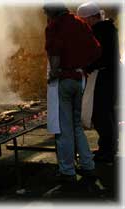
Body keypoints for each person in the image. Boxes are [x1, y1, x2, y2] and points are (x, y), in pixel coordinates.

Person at [43, 3, 101, 181]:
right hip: (79, 78)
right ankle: (88, 165)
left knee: (63, 128)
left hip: (64, 79)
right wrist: (83, 66)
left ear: (51, 11)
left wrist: (54, 72)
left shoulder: (55, 25)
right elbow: (96, 50)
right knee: (76, 126)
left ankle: (67, 170)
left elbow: (55, 51)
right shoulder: (80, 23)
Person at [77, 2, 120, 163]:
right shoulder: (106, 29)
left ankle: (108, 150)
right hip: (108, 74)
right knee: (106, 113)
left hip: (105, 76)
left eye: (84, 20)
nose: (83, 23)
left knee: (101, 113)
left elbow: (102, 56)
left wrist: (87, 66)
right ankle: (107, 147)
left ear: (92, 18)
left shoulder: (102, 31)